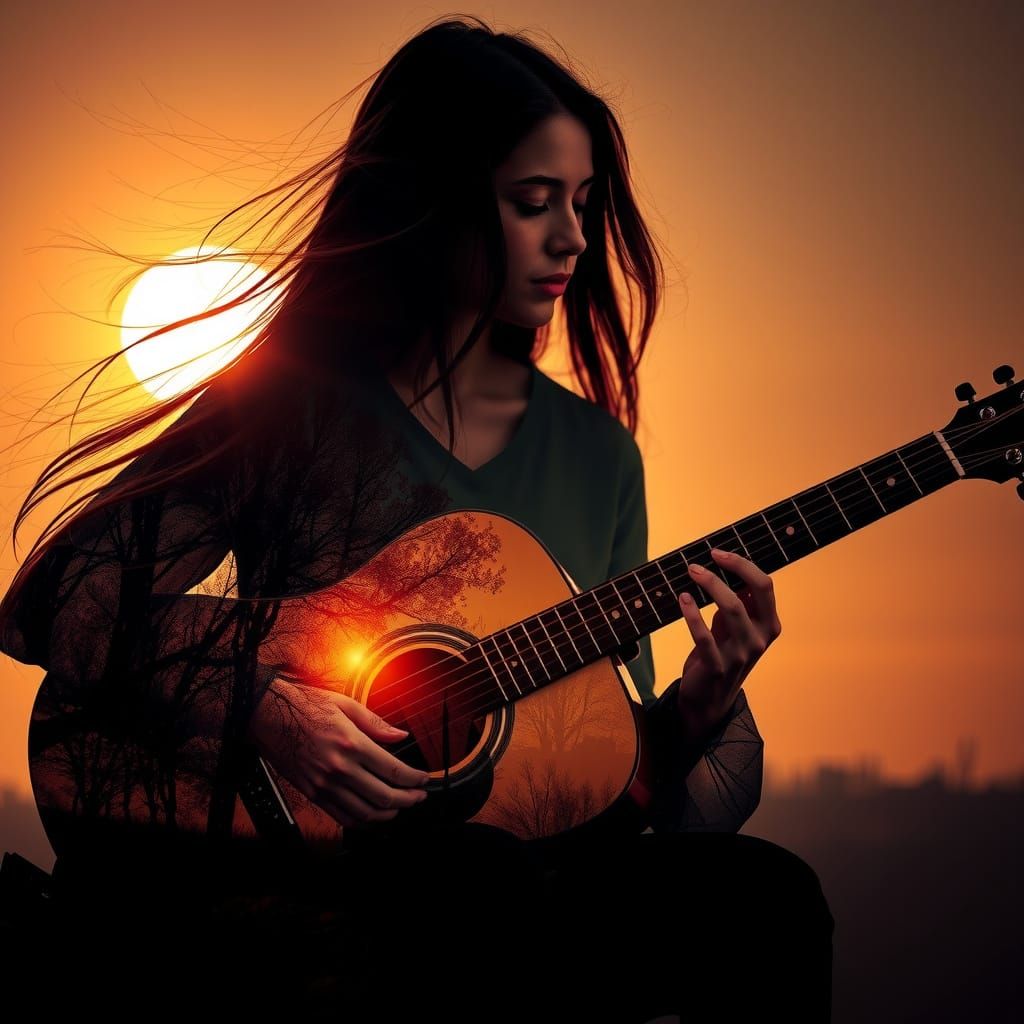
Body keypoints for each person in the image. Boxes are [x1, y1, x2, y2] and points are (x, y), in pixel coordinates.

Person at [0, 15, 834, 1022]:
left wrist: (698, 707)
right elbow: (53, 600)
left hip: (506, 881)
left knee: (770, 897)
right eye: (533, 203)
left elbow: (601, 797)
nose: (572, 235)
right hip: (288, 876)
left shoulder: (599, 457)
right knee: (475, 883)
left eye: (581, 202)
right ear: (435, 204)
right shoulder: (291, 405)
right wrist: (260, 703)